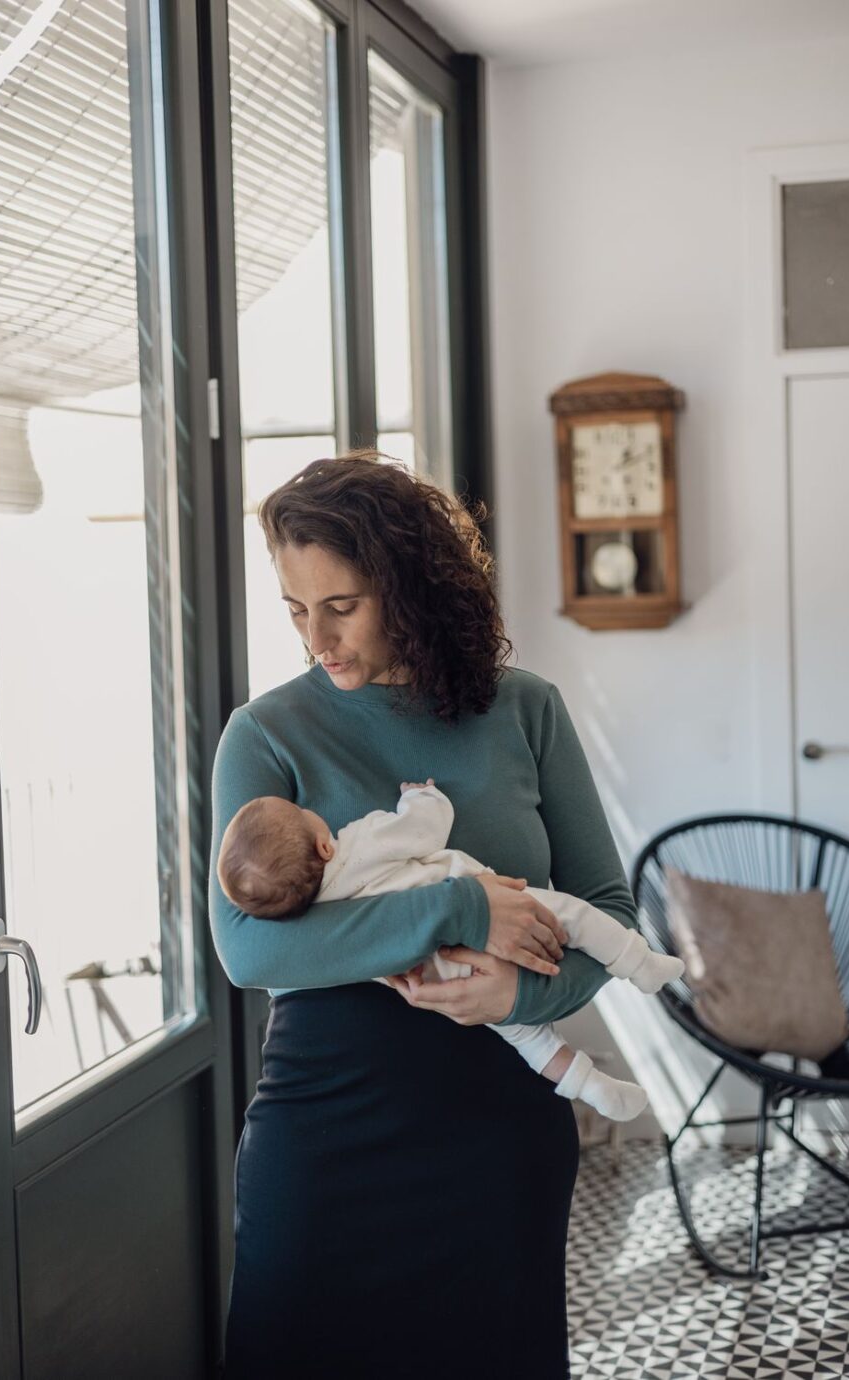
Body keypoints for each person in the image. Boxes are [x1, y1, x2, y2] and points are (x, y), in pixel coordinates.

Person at [209, 450, 643, 1380]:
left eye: (342, 605)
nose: (317, 640)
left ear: (409, 587)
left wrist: (522, 994)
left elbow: (608, 909)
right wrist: (455, 908)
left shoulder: (528, 711)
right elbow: (246, 948)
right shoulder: (265, 734)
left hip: (497, 1135)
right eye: (295, 610)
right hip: (327, 1133)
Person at [216, 776, 684, 1121]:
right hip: (494, 910)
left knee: (525, 1034)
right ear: (323, 846)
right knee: (571, 916)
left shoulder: (314, 917)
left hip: (441, 979)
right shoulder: (358, 842)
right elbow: (425, 829)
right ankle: (637, 963)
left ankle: (592, 1086)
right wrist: (421, 796)